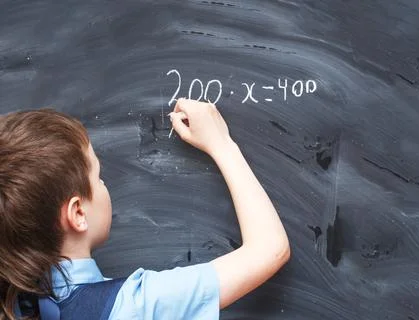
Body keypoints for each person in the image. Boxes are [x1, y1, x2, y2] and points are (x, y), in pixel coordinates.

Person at [0, 98, 290, 320]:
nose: (104, 185)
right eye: (98, 177)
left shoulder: (14, 304)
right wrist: (221, 144)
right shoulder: (132, 307)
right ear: (78, 214)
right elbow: (270, 249)